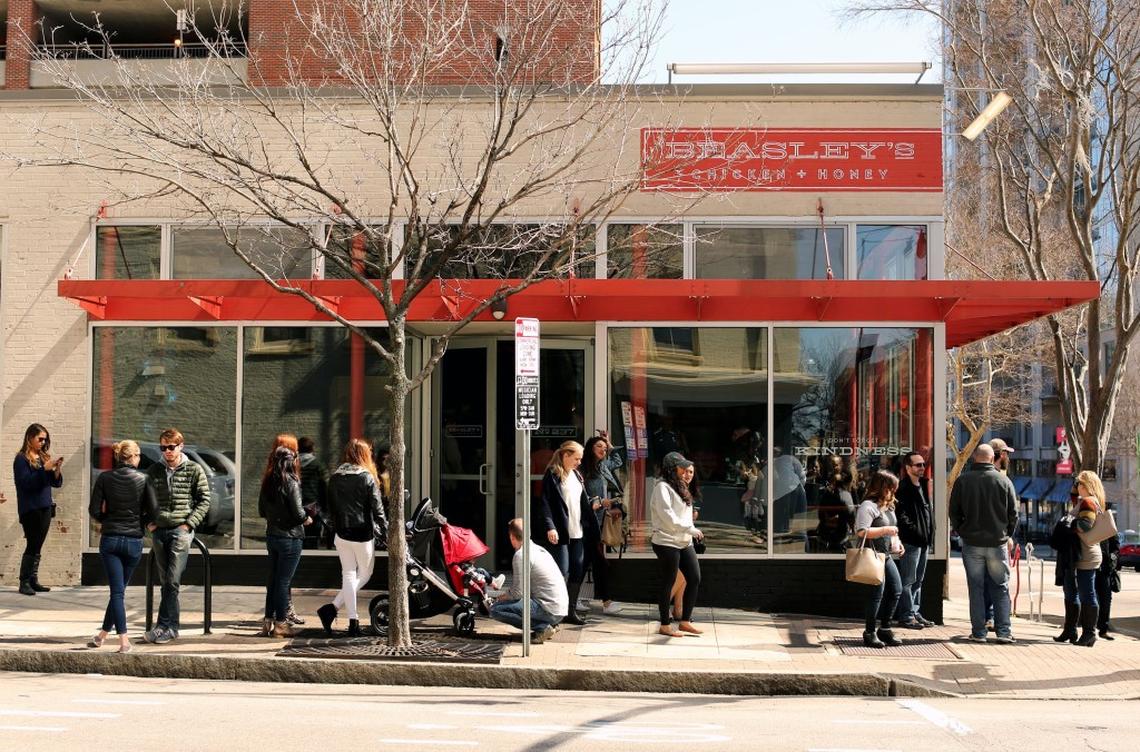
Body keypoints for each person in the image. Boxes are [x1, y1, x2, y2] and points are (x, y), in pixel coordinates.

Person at [87, 440, 158, 653]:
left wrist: (107, 519)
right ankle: (119, 639)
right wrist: (140, 519)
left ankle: (107, 637)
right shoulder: (144, 479)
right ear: (135, 457)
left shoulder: (105, 478)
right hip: (134, 540)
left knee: (117, 592)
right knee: (119, 591)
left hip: (110, 539)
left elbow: (94, 509)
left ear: (119, 457)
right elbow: (154, 512)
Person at [143, 428, 212, 644]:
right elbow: (143, 498)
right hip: (159, 530)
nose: (167, 452)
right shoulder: (154, 470)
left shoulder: (194, 469)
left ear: (180, 446)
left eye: (170, 447)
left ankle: (165, 626)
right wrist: (149, 523)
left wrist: (188, 524)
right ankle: (169, 627)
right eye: (163, 448)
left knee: (172, 580)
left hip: (180, 530)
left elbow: (204, 499)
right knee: (166, 582)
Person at [948, 443, 1018, 644]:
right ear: (991, 458)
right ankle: (1004, 632)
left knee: (976, 588)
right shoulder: (1003, 481)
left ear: (975, 458)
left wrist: (963, 531)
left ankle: (979, 632)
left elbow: (954, 512)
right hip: (997, 542)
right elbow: (1013, 514)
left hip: (972, 543)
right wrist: (1006, 535)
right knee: (1001, 586)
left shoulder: (963, 481)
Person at [317, 438, 386, 637]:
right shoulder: (366, 477)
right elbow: (377, 509)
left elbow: (330, 509)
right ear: (364, 455)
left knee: (348, 574)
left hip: (341, 533)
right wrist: (387, 530)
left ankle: (351, 621)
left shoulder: (336, 476)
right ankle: (334, 608)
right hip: (362, 534)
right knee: (365, 574)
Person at [535, 440, 598, 626]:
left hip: (578, 531)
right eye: (576, 458)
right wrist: (550, 527)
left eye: (580, 458)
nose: (579, 462)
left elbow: (581, 502)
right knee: (561, 572)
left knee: (577, 571)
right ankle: (555, 612)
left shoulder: (577, 475)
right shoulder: (553, 475)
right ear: (565, 456)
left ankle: (570, 611)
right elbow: (545, 503)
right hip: (561, 532)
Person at [259, 441, 311, 639]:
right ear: (291, 462)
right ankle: (281, 624)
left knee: (273, 580)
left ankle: (268, 622)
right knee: (283, 582)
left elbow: (261, 510)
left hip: (272, 535)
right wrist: (307, 518)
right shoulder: (291, 481)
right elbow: (298, 513)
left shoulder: (267, 482)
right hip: (291, 537)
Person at [650, 451, 703, 638]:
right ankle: (665, 625)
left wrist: (690, 529)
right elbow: (668, 517)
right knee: (668, 581)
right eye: (682, 468)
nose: (687, 472)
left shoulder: (682, 487)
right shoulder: (662, 487)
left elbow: (684, 516)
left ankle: (685, 621)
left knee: (694, 577)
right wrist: (691, 529)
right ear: (673, 469)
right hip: (665, 540)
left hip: (683, 541)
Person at [490, 518, 568, 643]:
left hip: (548, 609)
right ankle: (549, 625)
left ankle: (542, 627)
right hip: (561, 609)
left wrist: (499, 597)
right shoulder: (539, 550)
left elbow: (518, 593)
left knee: (495, 609)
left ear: (512, 537)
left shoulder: (521, 555)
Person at [1052, 470, 1105, 647]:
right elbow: (1073, 497)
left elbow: (1084, 526)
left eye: (1080, 484)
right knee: (1071, 592)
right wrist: (1076, 483)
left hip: (1086, 555)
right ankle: (1070, 629)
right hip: (1076, 554)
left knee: (1086, 593)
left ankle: (1089, 633)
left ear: (1088, 486)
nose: (1077, 487)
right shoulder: (1083, 501)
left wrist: (1067, 522)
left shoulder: (1089, 502)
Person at [854, 470, 904, 648]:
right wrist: (885, 531)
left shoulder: (889, 507)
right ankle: (869, 632)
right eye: (891, 488)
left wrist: (897, 543)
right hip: (873, 556)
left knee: (896, 589)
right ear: (883, 487)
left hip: (887, 555)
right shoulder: (868, 506)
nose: (893, 492)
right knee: (876, 595)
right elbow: (861, 532)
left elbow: (893, 530)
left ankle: (885, 628)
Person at [13, 423, 63, 596]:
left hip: (45, 506)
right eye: (40, 438)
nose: (43, 442)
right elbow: (26, 484)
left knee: (38, 545)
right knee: (32, 543)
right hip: (30, 508)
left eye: (45, 439)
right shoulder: (21, 459)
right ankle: (24, 581)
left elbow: (55, 483)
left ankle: (33, 580)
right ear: (30, 438)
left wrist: (56, 471)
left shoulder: (43, 457)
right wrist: (44, 470)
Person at [581, 434, 625, 616]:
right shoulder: (583, 469)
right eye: (599, 446)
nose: (603, 450)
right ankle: (606, 601)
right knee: (598, 562)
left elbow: (618, 460)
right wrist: (599, 501)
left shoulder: (603, 466)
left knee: (585, 563)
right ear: (590, 448)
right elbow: (581, 497)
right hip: (588, 521)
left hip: (600, 520)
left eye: (605, 448)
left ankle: (572, 599)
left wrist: (609, 443)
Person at [893, 451, 936, 628]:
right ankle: (906, 615)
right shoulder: (903, 488)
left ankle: (915, 612)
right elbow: (900, 515)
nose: (922, 468)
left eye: (923, 464)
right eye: (918, 465)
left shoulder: (924, 485)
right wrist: (915, 531)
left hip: (924, 541)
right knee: (908, 580)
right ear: (908, 468)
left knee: (918, 580)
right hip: (911, 541)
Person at [298, 436, 330, 550]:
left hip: (295, 507)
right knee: (313, 538)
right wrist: (326, 508)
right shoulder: (318, 464)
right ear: (312, 449)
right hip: (313, 508)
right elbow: (324, 487)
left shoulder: (292, 464)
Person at [1096, 523, 1121, 640]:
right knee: (1091, 599)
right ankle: (1089, 627)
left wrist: (1112, 561)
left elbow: (1116, 548)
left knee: (1106, 599)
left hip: (1106, 569)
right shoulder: (1089, 521)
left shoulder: (1109, 526)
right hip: (1091, 567)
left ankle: (1103, 629)